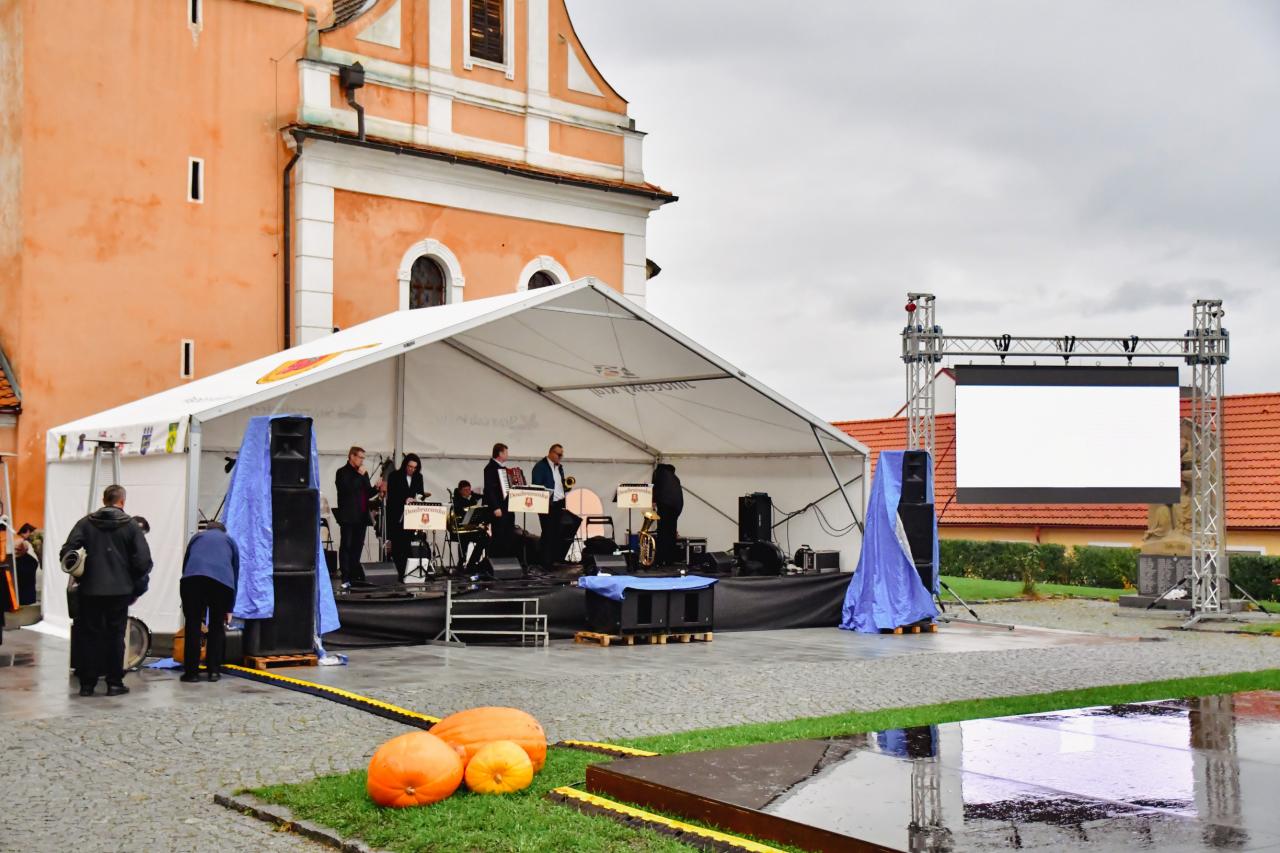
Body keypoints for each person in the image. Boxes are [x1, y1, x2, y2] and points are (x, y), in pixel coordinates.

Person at [59, 485, 152, 697]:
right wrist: (133, 585)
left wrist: (82, 571)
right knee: (115, 636)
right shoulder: (131, 526)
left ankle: (87, 685)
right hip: (120, 591)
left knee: (90, 635)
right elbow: (143, 561)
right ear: (122, 501)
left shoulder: (85, 523)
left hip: (91, 589)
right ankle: (114, 683)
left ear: (104, 500)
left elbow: (67, 552)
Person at [179, 521, 239, 683]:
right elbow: (235, 574)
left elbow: (186, 565)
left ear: (207, 529)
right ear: (223, 531)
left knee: (192, 625)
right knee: (216, 626)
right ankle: (214, 671)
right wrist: (230, 607)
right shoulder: (230, 541)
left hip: (192, 581)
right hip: (222, 583)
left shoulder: (197, 537)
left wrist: (186, 596)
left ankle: (191, 673)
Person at [334, 446, 380, 589]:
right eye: (360, 457)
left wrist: (376, 488)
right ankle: (345, 576)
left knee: (357, 546)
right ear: (352, 456)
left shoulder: (362, 473)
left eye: (363, 458)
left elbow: (368, 492)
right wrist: (359, 475)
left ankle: (354, 576)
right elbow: (346, 489)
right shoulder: (342, 472)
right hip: (348, 516)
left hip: (361, 515)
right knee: (346, 546)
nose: (362, 461)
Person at [385, 453, 426, 583]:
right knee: (398, 545)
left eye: (414, 467)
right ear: (405, 465)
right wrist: (405, 499)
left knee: (408, 544)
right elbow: (391, 497)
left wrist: (417, 499)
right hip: (397, 515)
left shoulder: (418, 477)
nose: (412, 469)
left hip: (411, 515)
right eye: (410, 466)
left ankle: (407, 573)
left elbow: (421, 493)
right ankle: (400, 572)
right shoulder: (394, 476)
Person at [531, 443, 568, 569]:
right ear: (551, 453)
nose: (560, 457)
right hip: (547, 504)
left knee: (556, 533)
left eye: (562, 455)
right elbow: (536, 485)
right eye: (559, 454)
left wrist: (565, 488)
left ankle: (552, 560)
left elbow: (559, 484)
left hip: (558, 503)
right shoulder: (540, 467)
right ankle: (545, 563)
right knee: (548, 533)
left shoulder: (559, 468)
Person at [482, 443, 515, 559]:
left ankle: (506, 559)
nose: (507, 455)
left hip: (507, 507)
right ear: (500, 453)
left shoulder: (504, 469)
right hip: (499, 508)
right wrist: (495, 507)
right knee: (499, 535)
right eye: (506, 452)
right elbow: (489, 490)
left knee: (508, 534)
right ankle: (497, 560)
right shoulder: (490, 468)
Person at [451, 480, 488, 571]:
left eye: (469, 489)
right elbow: (458, 511)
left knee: (484, 538)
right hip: (461, 529)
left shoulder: (472, 496)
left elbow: (483, 497)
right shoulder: (456, 500)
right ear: (460, 491)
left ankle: (472, 562)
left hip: (472, 528)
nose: (468, 492)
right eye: (465, 490)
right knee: (464, 540)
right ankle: (461, 563)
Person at [652, 463, 684, 567]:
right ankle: (670, 560)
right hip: (676, 507)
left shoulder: (659, 473)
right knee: (671, 534)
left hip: (664, 506)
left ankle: (660, 560)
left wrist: (653, 501)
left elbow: (655, 488)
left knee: (662, 533)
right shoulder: (675, 478)